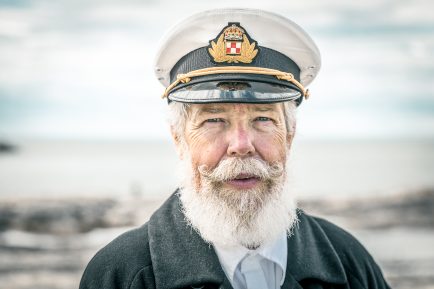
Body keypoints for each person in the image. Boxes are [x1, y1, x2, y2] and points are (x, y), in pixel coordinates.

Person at [79, 8, 391, 289]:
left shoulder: (349, 262)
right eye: (214, 120)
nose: (241, 146)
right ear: (178, 138)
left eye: (263, 119)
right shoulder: (121, 275)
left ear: (290, 135)